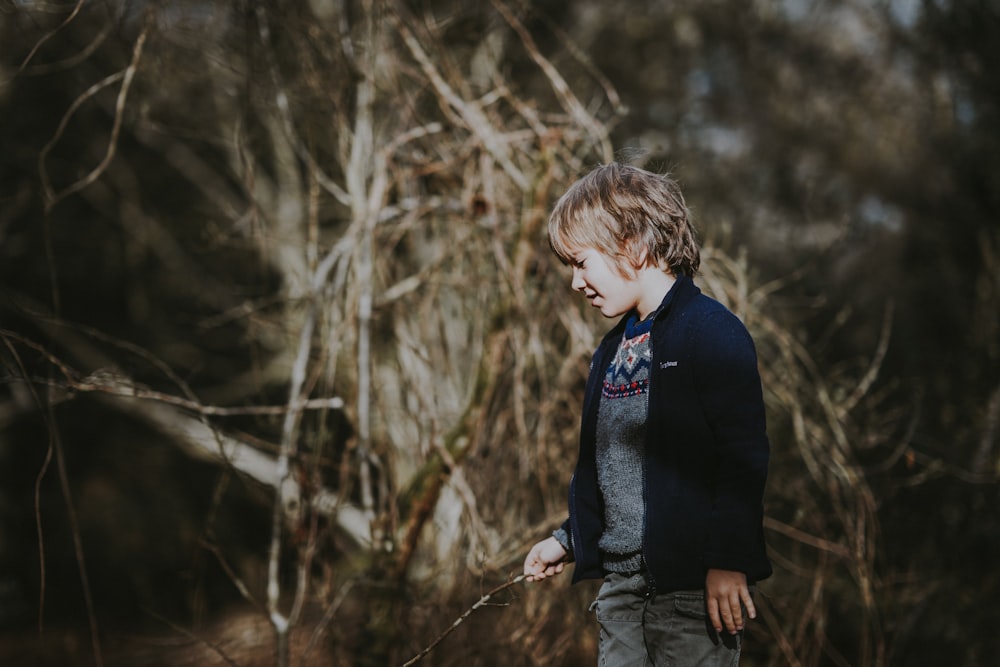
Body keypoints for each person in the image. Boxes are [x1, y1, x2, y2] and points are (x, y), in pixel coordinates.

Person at [523, 162, 772, 666]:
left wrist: (728, 560)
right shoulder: (610, 352)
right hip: (620, 597)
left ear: (633, 246)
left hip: (691, 595)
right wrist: (567, 540)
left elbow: (742, 459)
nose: (575, 282)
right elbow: (614, 474)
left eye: (580, 262)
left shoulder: (711, 334)